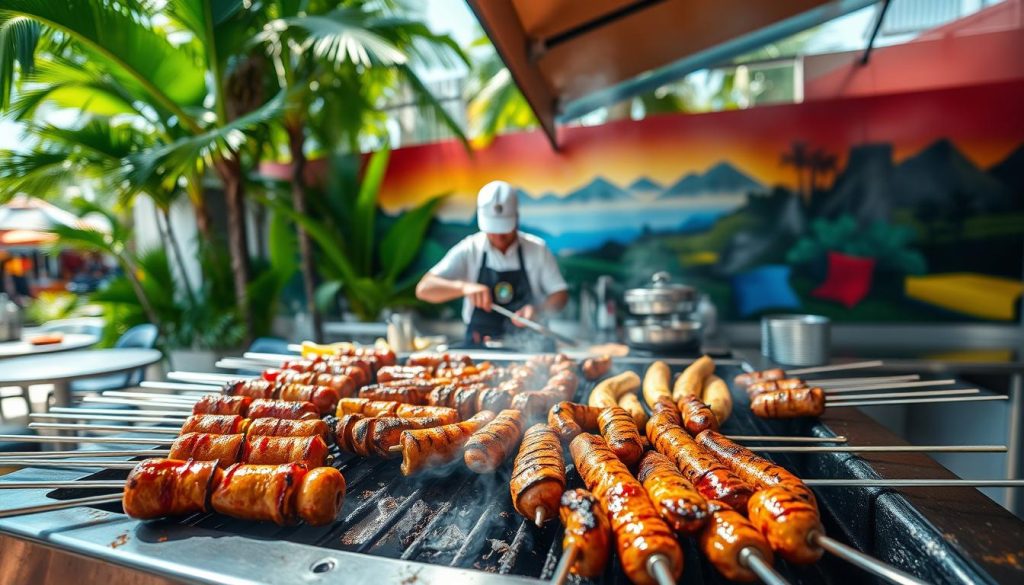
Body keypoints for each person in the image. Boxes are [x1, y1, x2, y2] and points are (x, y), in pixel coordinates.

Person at [416, 180, 569, 349]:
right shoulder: (470, 248)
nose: (499, 237)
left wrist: (538, 310)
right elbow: (424, 289)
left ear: (516, 219)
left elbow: (560, 294)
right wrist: (464, 287)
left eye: (504, 230)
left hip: (530, 347)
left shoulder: (537, 249)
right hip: (479, 347)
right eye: (493, 230)